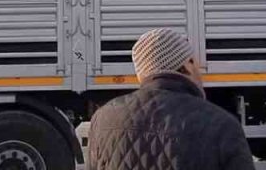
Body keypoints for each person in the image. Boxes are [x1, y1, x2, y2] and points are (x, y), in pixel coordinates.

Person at [88, 28, 255, 170]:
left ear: (142, 74)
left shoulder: (102, 120)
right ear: (187, 65)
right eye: (195, 62)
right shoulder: (222, 124)